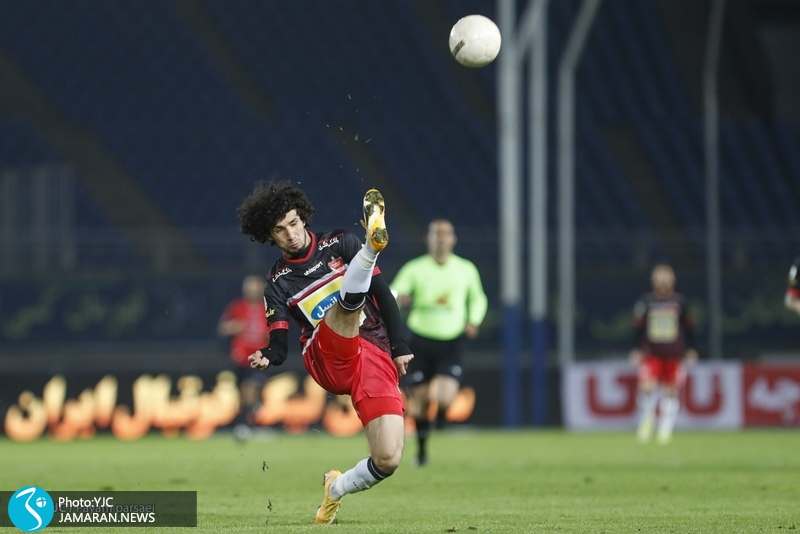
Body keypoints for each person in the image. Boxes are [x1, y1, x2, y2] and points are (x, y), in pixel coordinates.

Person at [238, 181, 413, 525]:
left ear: (303, 218)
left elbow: (383, 295)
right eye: (279, 230)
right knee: (344, 306)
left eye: (293, 223)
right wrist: (268, 355)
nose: (290, 234)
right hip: (325, 357)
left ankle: (335, 488)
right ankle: (372, 249)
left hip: (372, 352)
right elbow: (279, 342)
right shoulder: (277, 282)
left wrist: (399, 345)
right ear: (269, 235)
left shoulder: (338, 242)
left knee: (388, 458)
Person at [390, 219, 487, 466]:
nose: (441, 238)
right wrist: (400, 298)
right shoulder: (415, 269)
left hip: (451, 341)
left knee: (445, 397)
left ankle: (442, 415)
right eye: (436, 234)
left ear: (453, 239)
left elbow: (478, 298)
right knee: (421, 401)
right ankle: (422, 453)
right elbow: (394, 292)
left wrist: (474, 320)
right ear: (428, 239)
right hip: (420, 340)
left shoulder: (465, 269)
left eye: (446, 234)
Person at [629, 263, 698, 445]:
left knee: (671, 390)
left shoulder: (680, 302)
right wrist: (636, 349)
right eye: (659, 277)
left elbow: (689, 328)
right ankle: (646, 420)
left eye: (666, 277)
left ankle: (665, 427)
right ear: (653, 279)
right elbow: (637, 328)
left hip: (674, 353)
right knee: (646, 386)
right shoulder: (646, 302)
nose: (662, 280)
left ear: (672, 279)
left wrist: (691, 349)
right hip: (652, 353)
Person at [217, 274, 270, 441]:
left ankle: (245, 425)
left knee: (252, 388)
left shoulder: (268, 308)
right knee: (244, 392)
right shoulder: (237, 307)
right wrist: (235, 327)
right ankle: (247, 424)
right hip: (241, 357)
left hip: (260, 356)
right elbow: (223, 328)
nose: (252, 291)